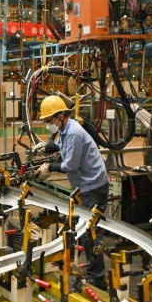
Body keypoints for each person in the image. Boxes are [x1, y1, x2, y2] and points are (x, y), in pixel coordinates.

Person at [34, 95, 109, 289]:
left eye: (49, 120)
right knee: (80, 229)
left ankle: (97, 278)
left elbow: (71, 165)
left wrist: (49, 167)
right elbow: (62, 148)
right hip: (85, 186)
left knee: (92, 234)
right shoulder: (66, 129)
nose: (47, 124)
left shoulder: (74, 132)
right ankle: (85, 266)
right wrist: (48, 146)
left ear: (60, 115)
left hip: (93, 187)